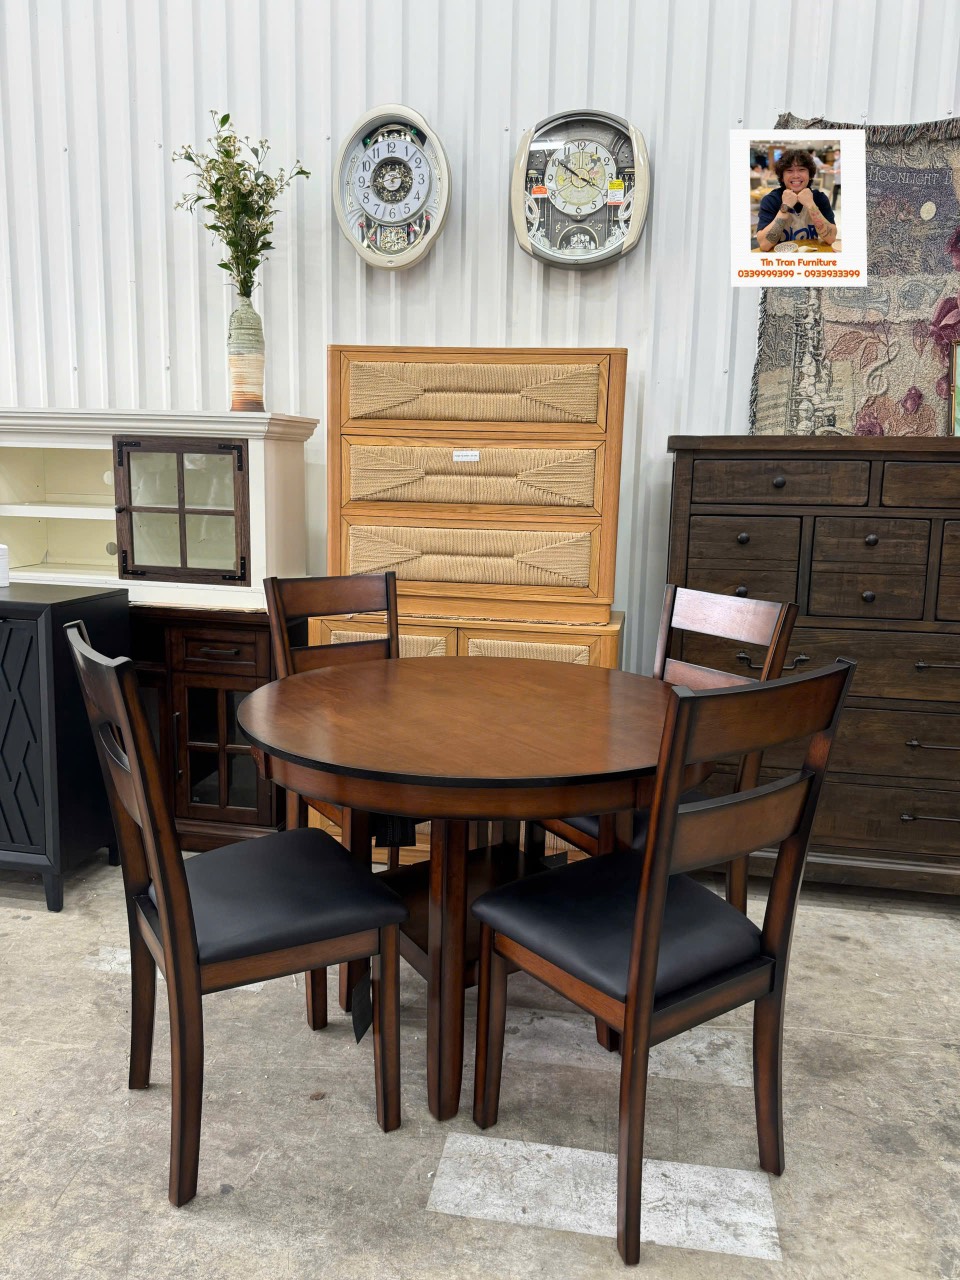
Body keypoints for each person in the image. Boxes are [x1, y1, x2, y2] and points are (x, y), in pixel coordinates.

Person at [755, 149, 837, 251]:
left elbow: (831, 239)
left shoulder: (819, 198)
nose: (796, 175)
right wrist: (785, 207)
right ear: (782, 177)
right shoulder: (771, 200)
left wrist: (811, 205)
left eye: (801, 169)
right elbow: (764, 245)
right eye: (789, 170)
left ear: (810, 175)